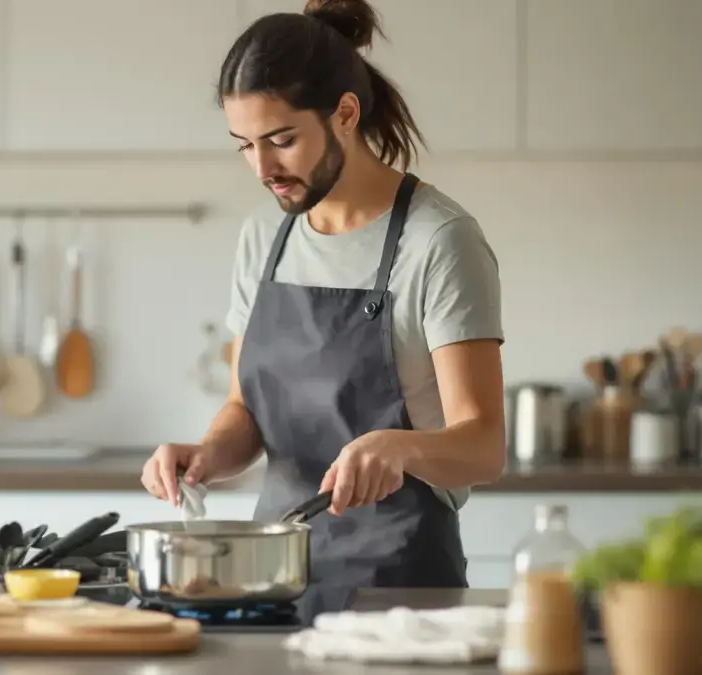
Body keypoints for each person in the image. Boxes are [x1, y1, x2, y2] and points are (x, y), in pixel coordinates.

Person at [141, 0, 507, 590]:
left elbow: (484, 446)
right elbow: (244, 411)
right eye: (244, 144)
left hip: (402, 585)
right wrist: (206, 454)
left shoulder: (439, 241)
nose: (262, 167)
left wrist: (400, 448)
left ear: (344, 114)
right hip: (274, 578)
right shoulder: (264, 235)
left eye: (282, 139)